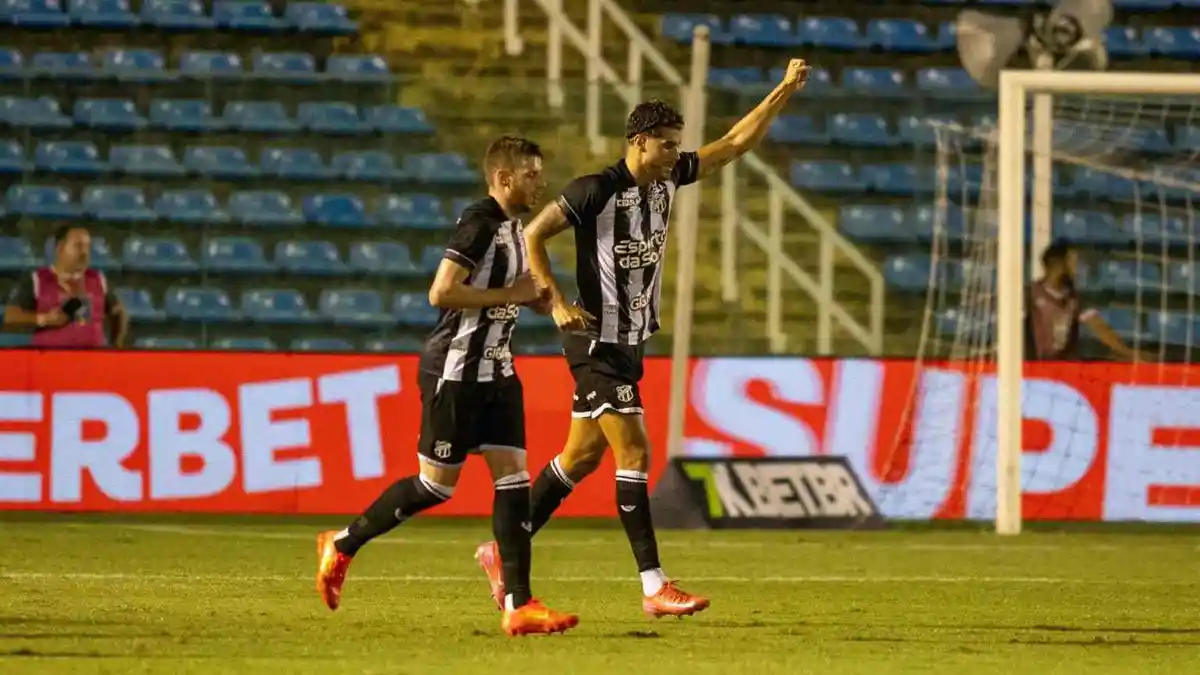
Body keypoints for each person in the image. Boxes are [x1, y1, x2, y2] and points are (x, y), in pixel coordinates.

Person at [474, 59, 812, 619]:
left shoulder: (669, 180)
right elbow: (533, 234)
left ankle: (501, 549)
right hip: (594, 342)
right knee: (635, 451)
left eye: (679, 145)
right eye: (668, 145)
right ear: (639, 143)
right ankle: (654, 585)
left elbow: (732, 144)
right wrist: (555, 301)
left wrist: (781, 90)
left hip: (631, 342)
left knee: (579, 459)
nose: (677, 154)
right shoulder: (594, 191)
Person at [314, 136, 579, 637]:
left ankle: (519, 604)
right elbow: (441, 290)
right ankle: (342, 543)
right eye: (530, 174)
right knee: (436, 485)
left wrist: (536, 301)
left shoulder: (514, 229)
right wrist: (512, 293)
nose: (539, 181)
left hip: (497, 371)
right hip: (455, 372)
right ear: (503, 178)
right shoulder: (479, 223)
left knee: (513, 480)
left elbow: (510, 293)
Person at [4, 225, 127, 348]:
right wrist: (44, 319)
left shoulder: (98, 279)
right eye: (78, 246)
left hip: (92, 361)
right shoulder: (38, 280)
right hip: (50, 360)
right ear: (61, 248)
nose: (84, 253)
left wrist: (117, 344)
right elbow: (11, 316)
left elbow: (118, 311)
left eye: (87, 247)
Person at [1026, 240, 1144, 361]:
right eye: (1072, 261)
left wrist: (1130, 354)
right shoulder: (1030, 294)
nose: (1076, 267)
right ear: (1058, 264)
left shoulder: (1073, 297)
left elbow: (1099, 327)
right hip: (1034, 369)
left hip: (1063, 369)